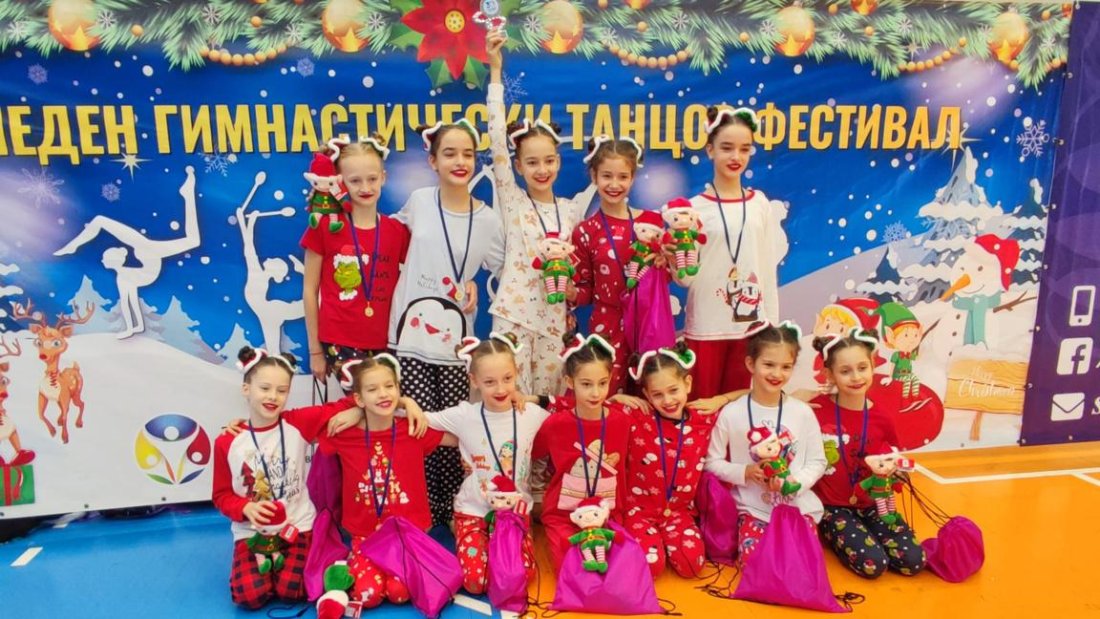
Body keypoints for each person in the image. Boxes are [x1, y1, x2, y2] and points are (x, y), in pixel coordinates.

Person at [389, 120, 505, 527]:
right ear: (432, 161)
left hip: (457, 342)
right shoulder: (419, 201)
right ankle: (419, 510)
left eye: (468, 154)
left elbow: (504, 269)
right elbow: (388, 242)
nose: (460, 162)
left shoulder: (488, 219)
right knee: (416, 426)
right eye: (450, 153)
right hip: (408, 337)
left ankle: (453, 509)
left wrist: (474, 283)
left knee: (453, 429)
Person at [484, 30, 595, 395]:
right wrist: (495, 71)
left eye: (549, 160)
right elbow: (496, 140)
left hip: (554, 323)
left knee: (547, 408)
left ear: (559, 162)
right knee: (508, 404)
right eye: (532, 162)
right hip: (512, 319)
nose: (542, 169)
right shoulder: (513, 200)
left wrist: (574, 292)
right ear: (518, 167)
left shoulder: (572, 210)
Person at [211, 347, 362, 609]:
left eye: (282, 391)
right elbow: (221, 495)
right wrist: (245, 507)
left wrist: (356, 412)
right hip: (252, 531)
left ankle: (286, 568)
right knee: (249, 596)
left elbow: (356, 399)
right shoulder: (227, 441)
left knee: (293, 590)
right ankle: (263, 568)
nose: (273, 396)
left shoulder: (297, 423)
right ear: (246, 389)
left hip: (298, 525)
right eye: (265, 388)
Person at [421, 333, 547, 594]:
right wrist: (407, 403)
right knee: (476, 582)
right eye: (490, 382)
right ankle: (463, 529)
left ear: (517, 373)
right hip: (473, 510)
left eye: (507, 379)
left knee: (518, 577)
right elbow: (413, 418)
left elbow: (574, 415)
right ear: (474, 381)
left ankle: (493, 542)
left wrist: (534, 398)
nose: (500, 389)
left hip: (514, 512)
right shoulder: (464, 415)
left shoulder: (531, 414)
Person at [677, 108, 789, 399]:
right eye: (727, 148)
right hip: (706, 326)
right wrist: (675, 258)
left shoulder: (759, 204)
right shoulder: (692, 209)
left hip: (750, 328)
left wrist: (771, 325)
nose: (736, 156)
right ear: (710, 149)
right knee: (699, 408)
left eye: (744, 148)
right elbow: (685, 279)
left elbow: (767, 269)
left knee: (739, 410)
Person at [704, 321, 826, 566]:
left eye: (786, 367)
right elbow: (711, 462)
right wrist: (746, 471)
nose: (777, 374)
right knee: (755, 564)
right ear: (751, 364)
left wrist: (795, 483)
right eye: (769, 365)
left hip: (797, 506)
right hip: (752, 508)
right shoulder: (731, 413)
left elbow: (817, 461)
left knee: (801, 564)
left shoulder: (802, 412)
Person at [810, 329, 926, 578]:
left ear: (873, 365)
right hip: (833, 507)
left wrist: (895, 471)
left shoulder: (882, 417)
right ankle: (836, 533)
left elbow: (891, 456)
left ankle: (865, 531)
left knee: (913, 561)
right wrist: (794, 397)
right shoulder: (815, 409)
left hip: (874, 503)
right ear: (829, 374)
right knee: (874, 564)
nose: (856, 377)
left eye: (862, 368)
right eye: (845, 371)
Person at [301, 136, 410, 385]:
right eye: (355, 181)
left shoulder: (397, 231)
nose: (365, 187)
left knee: (378, 405)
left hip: (388, 341)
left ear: (383, 178)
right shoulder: (325, 226)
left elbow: (424, 269)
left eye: (372, 179)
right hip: (340, 342)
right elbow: (309, 290)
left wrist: (465, 282)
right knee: (366, 400)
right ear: (340, 182)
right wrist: (315, 350)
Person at [624, 342, 719, 578]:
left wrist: (722, 399)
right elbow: (584, 406)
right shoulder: (638, 416)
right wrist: (617, 397)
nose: (667, 400)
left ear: (688, 383)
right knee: (651, 567)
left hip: (679, 513)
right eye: (657, 394)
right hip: (639, 511)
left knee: (692, 565)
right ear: (646, 395)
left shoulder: (704, 418)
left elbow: (752, 396)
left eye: (673, 390)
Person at [569, 136, 655, 394]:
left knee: (652, 392)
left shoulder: (652, 223)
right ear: (594, 176)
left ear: (633, 178)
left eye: (623, 177)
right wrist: (570, 293)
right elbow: (585, 291)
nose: (614, 184)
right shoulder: (585, 231)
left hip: (646, 323)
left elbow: (664, 280)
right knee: (604, 396)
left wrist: (669, 262)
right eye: (607, 176)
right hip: (606, 327)